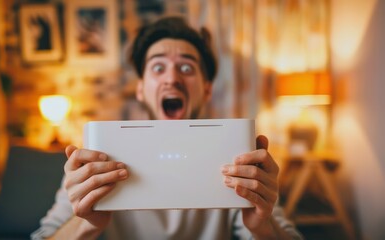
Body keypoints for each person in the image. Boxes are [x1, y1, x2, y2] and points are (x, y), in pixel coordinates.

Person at [31, 17, 303, 240]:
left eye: (186, 67)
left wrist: (261, 227)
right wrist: (86, 223)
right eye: (158, 67)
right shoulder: (98, 158)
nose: (172, 78)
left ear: (207, 90)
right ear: (140, 89)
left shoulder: (234, 155)